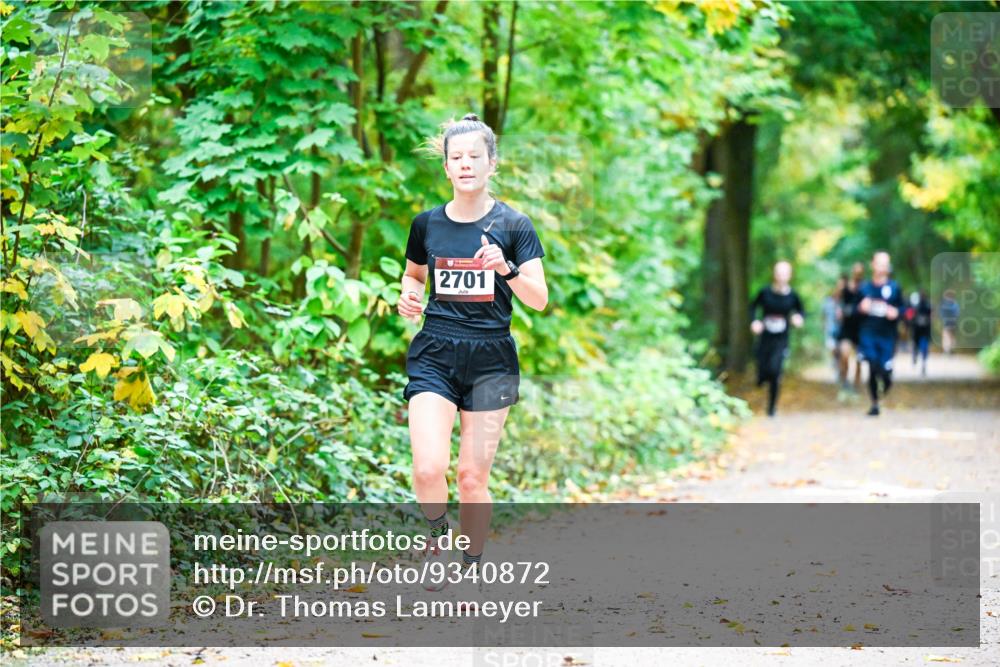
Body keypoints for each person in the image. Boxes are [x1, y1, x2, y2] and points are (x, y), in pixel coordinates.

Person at [396, 114, 548, 601]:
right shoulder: (427, 224)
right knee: (427, 468)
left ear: (491, 164)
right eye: (456, 158)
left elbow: (539, 298)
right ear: (446, 167)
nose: (465, 165)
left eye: (474, 157)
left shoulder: (513, 224)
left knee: (470, 477)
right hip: (436, 350)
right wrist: (406, 297)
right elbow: (414, 276)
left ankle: (472, 560)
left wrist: (505, 268)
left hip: (491, 358)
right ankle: (437, 542)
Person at [749, 261, 805, 417]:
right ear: (774, 274)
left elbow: (801, 311)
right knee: (762, 367)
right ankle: (761, 378)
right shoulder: (765, 292)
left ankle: (772, 407)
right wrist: (754, 321)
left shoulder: (793, 295)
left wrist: (798, 318)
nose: (781, 276)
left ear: (789, 276)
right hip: (765, 336)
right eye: (779, 273)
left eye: (784, 273)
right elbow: (753, 307)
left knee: (775, 370)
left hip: (781, 339)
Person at [857, 251, 904, 416]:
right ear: (872, 264)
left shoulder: (894, 287)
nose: (882, 267)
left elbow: (904, 309)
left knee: (883, 370)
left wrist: (896, 312)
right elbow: (851, 312)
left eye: (885, 264)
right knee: (871, 365)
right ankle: (874, 403)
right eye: (879, 263)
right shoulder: (864, 288)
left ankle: (887, 380)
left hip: (887, 335)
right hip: (868, 334)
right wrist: (860, 308)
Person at [836, 262, 865, 394]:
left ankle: (856, 384)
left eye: (860, 271)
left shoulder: (865, 288)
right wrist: (838, 310)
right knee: (844, 354)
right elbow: (837, 300)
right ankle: (844, 378)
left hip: (861, 327)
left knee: (860, 359)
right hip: (846, 327)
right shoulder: (845, 286)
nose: (857, 273)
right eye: (855, 270)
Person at [823, 277, 845, 375]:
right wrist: (823, 325)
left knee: (841, 351)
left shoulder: (844, 301)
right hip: (830, 329)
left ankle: (840, 370)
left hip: (842, 330)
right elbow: (823, 315)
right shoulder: (828, 301)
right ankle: (835, 363)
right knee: (833, 348)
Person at [910, 290, 932, 376]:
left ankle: (921, 361)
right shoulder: (917, 305)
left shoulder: (921, 305)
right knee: (920, 346)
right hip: (919, 329)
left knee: (922, 347)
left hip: (922, 330)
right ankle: (919, 358)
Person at [940, 289, 960, 354]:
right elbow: (957, 313)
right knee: (952, 336)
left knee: (946, 335)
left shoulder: (944, 304)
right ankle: (952, 349)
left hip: (946, 322)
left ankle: (947, 350)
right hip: (953, 322)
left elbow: (941, 313)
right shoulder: (955, 304)